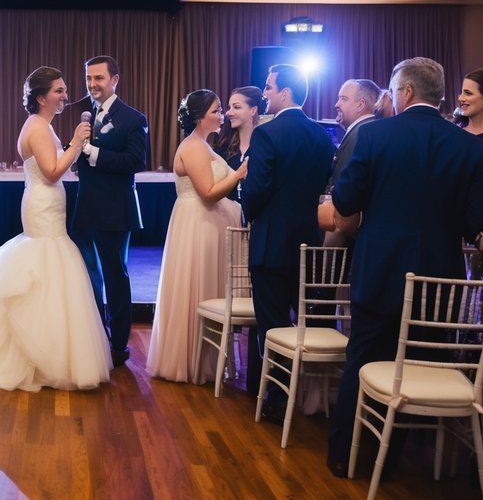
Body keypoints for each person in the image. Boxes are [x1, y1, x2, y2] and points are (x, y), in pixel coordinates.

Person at [319, 57, 483, 476]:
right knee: (420, 363)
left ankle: (346, 455)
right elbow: (475, 222)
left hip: (380, 268)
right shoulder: (469, 146)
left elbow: (346, 200)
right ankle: (396, 457)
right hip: (439, 277)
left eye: (394, 90)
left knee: (363, 357)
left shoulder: (376, 135)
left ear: (407, 91)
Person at [0, 67, 111, 393]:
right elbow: (51, 172)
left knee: (52, 271)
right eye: (58, 91)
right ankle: (37, 357)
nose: (65, 96)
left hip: (47, 205)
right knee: (45, 265)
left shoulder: (41, 126)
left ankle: (49, 351)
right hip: (43, 207)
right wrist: (76, 144)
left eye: (64, 90)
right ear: (41, 98)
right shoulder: (37, 127)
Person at [241, 64, 335, 417]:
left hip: (271, 242)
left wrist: (248, 208)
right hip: (309, 241)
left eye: (269, 87)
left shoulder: (267, 133)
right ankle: (311, 396)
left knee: (272, 324)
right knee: (305, 320)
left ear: (285, 92)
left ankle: (278, 401)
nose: (264, 93)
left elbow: (257, 188)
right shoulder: (321, 135)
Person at [146, 89, 246, 383]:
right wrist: (238, 174)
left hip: (207, 223)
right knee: (195, 287)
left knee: (206, 287)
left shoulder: (204, 145)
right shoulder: (193, 147)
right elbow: (208, 193)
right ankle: (189, 361)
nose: (222, 115)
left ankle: (207, 361)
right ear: (201, 117)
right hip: (198, 224)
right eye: (216, 110)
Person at [70, 55, 149, 367]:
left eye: (99, 78)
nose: (92, 84)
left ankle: (118, 346)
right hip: (85, 208)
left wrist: (92, 152)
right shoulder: (86, 117)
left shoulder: (133, 118)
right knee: (88, 276)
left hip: (115, 211)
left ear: (114, 80)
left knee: (115, 276)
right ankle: (94, 338)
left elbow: (136, 161)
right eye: (89, 78)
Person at [323, 78, 379, 249]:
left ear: (360, 105)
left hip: (347, 234)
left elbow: (345, 186)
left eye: (343, 99)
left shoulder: (362, 133)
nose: (336, 104)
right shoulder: (367, 130)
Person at [211, 85, 263, 176]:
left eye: (237, 107)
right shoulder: (223, 144)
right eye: (229, 107)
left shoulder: (264, 146)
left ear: (253, 110)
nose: (228, 112)